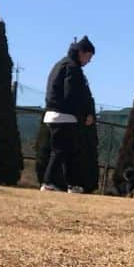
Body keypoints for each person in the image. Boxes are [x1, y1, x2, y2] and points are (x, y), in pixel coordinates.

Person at [41, 36, 96, 193]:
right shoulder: (72, 68)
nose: (89, 61)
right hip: (65, 116)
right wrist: (84, 114)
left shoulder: (60, 64)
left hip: (54, 113)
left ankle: (71, 184)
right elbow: (72, 94)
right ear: (81, 52)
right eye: (88, 56)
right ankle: (49, 182)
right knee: (61, 150)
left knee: (69, 151)